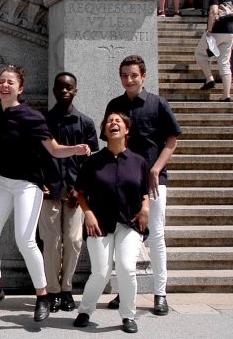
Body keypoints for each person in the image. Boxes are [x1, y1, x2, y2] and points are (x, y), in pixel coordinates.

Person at [0, 65, 91, 323]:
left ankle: (42, 295)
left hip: (28, 184)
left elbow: (55, 150)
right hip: (2, 181)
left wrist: (76, 150)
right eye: (1, 81)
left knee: (25, 240)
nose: (4, 85)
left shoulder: (32, 117)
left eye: (10, 82)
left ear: (20, 89)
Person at [104, 55, 181, 316]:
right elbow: (111, 142)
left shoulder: (158, 104)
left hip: (153, 181)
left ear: (143, 76)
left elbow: (171, 142)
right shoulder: (115, 105)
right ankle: (125, 291)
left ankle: (160, 293)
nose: (129, 79)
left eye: (133, 75)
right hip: (124, 181)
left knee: (156, 235)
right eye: (124, 75)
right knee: (123, 235)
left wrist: (157, 169)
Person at [72, 111, 150, 334]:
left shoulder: (138, 161)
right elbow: (80, 193)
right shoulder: (93, 161)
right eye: (109, 122)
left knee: (126, 268)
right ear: (105, 131)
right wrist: (87, 213)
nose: (113, 124)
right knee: (101, 272)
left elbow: (144, 192)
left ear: (127, 130)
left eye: (118, 121)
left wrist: (145, 208)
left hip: (129, 223)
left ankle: (128, 315)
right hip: (99, 223)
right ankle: (85, 310)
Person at [39, 72, 99, 313]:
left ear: (75, 91)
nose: (64, 91)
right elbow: (38, 156)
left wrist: (81, 189)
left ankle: (66, 289)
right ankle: (53, 291)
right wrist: (39, 182)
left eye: (69, 88)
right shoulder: (43, 121)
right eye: (60, 87)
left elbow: (91, 162)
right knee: (52, 242)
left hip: (76, 192)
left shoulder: (85, 123)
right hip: (48, 190)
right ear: (54, 90)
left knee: (74, 241)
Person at [195, 0, 233, 101]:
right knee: (224, 63)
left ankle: (210, 78)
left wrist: (209, 30)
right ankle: (226, 95)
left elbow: (213, 11)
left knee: (200, 54)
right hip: (229, 33)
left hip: (216, 31)